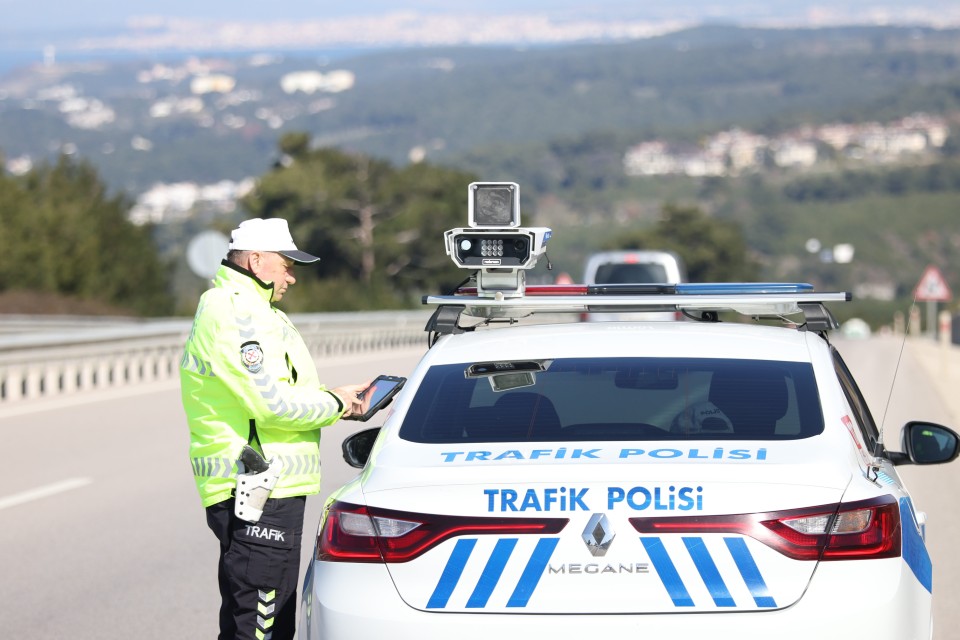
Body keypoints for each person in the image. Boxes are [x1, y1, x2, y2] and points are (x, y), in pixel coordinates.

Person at [180, 217, 371, 640]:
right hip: (258, 487)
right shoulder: (238, 314)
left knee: (258, 620)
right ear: (255, 260)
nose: (291, 277)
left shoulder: (251, 309)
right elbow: (272, 405)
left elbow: (279, 391)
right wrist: (336, 404)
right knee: (261, 624)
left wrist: (335, 398)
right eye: (286, 265)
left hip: (263, 486)